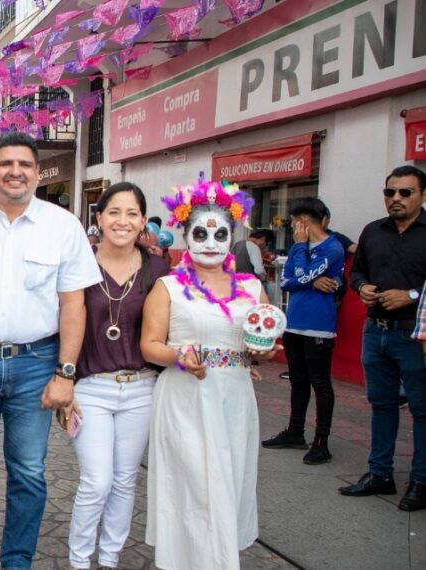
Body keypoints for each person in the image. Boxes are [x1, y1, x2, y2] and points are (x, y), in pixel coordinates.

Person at [0, 132, 101, 570]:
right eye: (5, 164)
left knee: (29, 473)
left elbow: (74, 303)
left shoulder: (63, 225)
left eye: (24, 164)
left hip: (37, 366)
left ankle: (18, 561)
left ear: (36, 172)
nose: (15, 171)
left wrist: (66, 374)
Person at [140, 175, 277, 569]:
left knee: (227, 481)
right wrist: (180, 356)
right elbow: (148, 345)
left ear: (232, 237)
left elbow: (261, 347)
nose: (211, 242)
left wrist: (260, 353)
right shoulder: (166, 287)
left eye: (221, 234)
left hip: (233, 399)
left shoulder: (252, 289)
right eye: (201, 232)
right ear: (186, 235)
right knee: (193, 486)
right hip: (184, 398)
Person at [64, 183, 169, 570]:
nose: (122, 221)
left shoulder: (159, 270)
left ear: (143, 221)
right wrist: (63, 380)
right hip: (90, 388)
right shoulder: (78, 262)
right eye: (113, 212)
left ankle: (108, 561)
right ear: (99, 218)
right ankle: (78, 562)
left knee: (125, 480)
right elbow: (59, 325)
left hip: (142, 388)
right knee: (96, 482)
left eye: (131, 214)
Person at [348, 165, 426, 512]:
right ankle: (380, 473)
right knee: (381, 405)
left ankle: (421, 481)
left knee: (422, 410)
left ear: (422, 195)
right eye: (390, 192)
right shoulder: (372, 231)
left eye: (405, 193)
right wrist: (362, 286)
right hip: (374, 330)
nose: (396, 199)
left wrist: (410, 295)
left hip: (416, 333)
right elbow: (357, 270)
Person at [262, 197, 344, 465]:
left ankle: (322, 441)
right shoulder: (302, 248)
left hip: (318, 325)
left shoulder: (333, 248)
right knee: (298, 381)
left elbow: (302, 276)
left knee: (320, 383)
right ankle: (295, 432)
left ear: (305, 221)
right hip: (294, 322)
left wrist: (302, 263)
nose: (294, 226)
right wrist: (307, 278)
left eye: (296, 221)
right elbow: (288, 281)